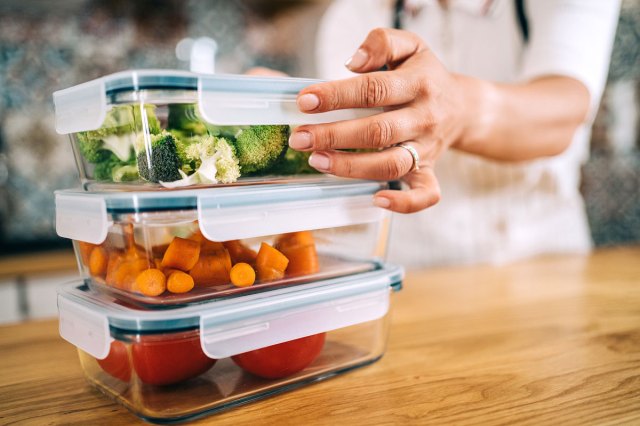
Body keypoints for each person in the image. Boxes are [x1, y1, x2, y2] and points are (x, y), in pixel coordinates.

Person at [285, 0, 621, 268]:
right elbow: (358, 147)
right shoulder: (353, 13)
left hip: (549, 265)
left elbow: (564, 112)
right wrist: (287, 123)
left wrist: (456, 109)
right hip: (415, 273)